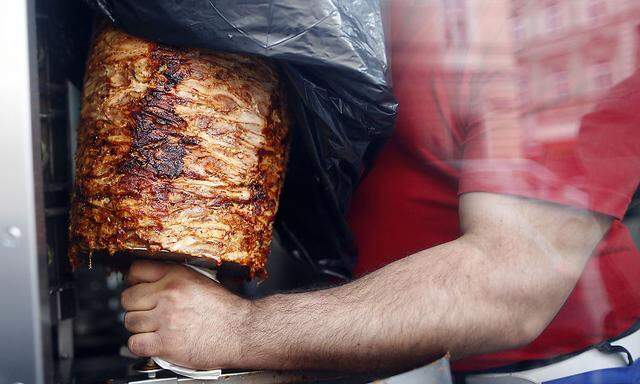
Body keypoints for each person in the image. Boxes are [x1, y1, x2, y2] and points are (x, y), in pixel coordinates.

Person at [119, 1, 640, 380]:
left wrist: (240, 330)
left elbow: (507, 287)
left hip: (552, 372)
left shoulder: (573, 17)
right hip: (393, 361)